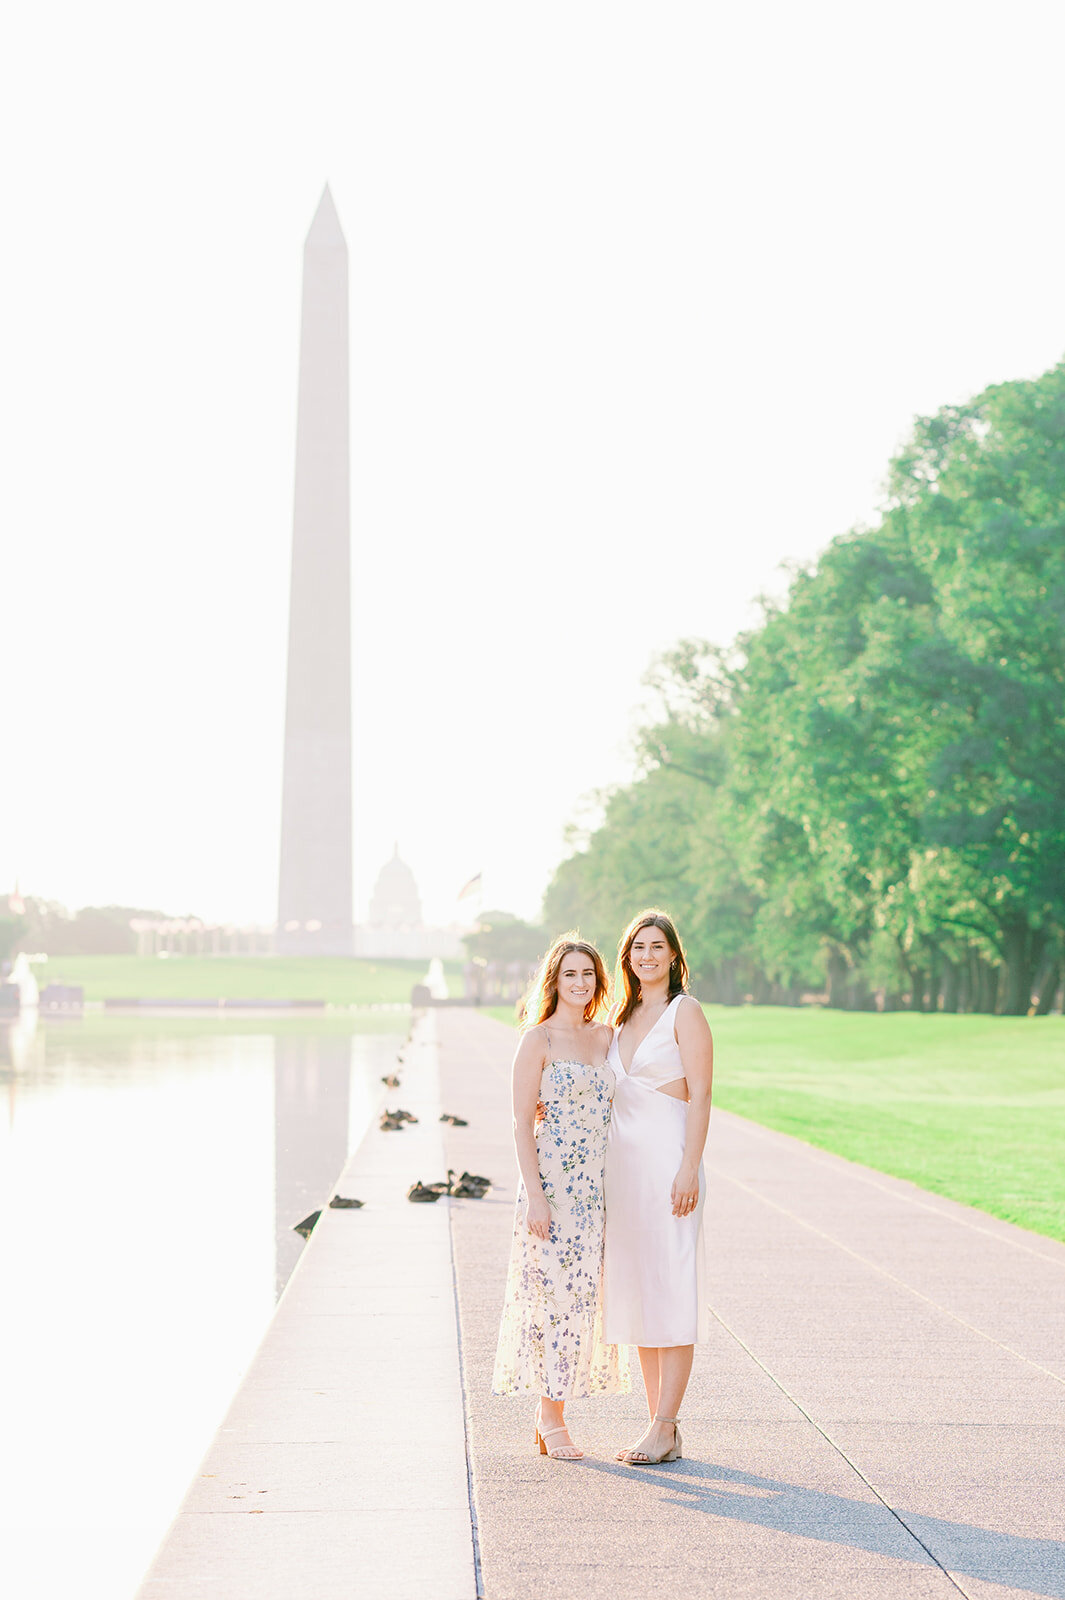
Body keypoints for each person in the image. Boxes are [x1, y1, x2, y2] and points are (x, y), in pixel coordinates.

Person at [491, 934, 629, 1459]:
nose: (580, 983)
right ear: (555, 981)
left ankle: (552, 1412)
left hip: (595, 1188)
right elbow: (522, 1123)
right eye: (569, 974)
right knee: (551, 1299)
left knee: (581, 1300)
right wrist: (535, 1196)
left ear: (598, 982)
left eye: (588, 975)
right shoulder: (538, 1040)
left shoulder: (604, 1038)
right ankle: (551, 1417)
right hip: (550, 1186)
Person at [603, 910, 713, 1464]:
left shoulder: (684, 1013)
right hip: (623, 1174)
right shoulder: (620, 1018)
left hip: (670, 1166)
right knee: (643, 1292)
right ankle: (657, 1426)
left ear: (673, 954)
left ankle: (666, 1422)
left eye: (656, 946)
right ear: (628, 956)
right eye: (637, 947)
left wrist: (689, 1167)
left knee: (672, 1287)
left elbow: (702, 1095)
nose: (646, 955)